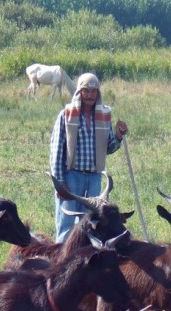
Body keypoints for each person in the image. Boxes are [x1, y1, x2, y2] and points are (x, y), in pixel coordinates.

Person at [49, 72, 128, 242]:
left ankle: (85, 259)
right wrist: (60, 183)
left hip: (94, 177)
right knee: (66, 221)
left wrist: (119, 136)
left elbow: (108, 148)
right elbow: (56, 151)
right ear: (79, 92)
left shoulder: (103, 116)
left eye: (94, 91)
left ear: (98, 94)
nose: (90, 95)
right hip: (72, 176)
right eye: (86, 91)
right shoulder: (66, 115)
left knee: (91, 223)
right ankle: (62, 258)